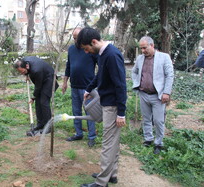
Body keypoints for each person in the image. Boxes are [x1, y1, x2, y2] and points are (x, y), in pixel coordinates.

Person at [77, 27, 127, 187]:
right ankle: (111, 174)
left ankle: (101, 182)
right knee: (113, 142)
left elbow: (120, 85)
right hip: (108, 103)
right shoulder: (103, 54)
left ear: (94, 42)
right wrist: (89, 88)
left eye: (86, 48)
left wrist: (121, 113)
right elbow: (100, 75)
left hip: (112, 106)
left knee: (108, 143)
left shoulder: (112, 55)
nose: (86, 52)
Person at [132, 36, 174, 154]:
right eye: (141, 48)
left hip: (158, 96)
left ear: (152, 45)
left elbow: (169, 75)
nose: (143, 51)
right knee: (146, 118)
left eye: (145, 48)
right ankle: (148, 139)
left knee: (158, 120)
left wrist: (166, 92)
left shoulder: (164, 57)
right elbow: (134, 71)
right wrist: (137, 83)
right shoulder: (140, 59)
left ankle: (158, 143)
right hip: (143, 93)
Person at [62, 27, 98, 147]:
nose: (75, 40)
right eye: (74, 38)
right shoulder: (71, 49)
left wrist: (97, 82)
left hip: (88, 87)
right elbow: (68, 66)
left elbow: (101, 65)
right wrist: (65, 82)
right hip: (75, 86)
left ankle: (92, 136)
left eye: (77, 38)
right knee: (76, 111)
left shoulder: (89, 49)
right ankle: (78, 133)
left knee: (89, 112)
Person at [13, 56, 58, 136]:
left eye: (23, 72)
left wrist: (33, 97)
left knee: (43, 102)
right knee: (38, 102)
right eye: (21, 72)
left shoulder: (36, 70)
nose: (22, 73)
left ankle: (48, 127)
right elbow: (28, 72)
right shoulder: (24, 61)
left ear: (26, 66)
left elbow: (38, 86)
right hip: (41, 78)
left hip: (49, 79)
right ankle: (40, 124)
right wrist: (26, 74)